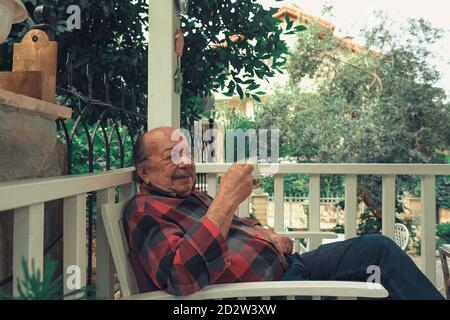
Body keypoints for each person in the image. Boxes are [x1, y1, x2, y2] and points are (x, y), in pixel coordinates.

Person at [123, 127, 444, 300]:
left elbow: (237, 226)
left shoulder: (194, 197)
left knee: (377, 249)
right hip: (269, 294)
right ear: (145, 172)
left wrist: (267, 234)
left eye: (187, 153)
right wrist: (225, 199)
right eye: (171, 156)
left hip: (291, 269)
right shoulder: (144, 210)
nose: (185, 162)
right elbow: (181, 277)